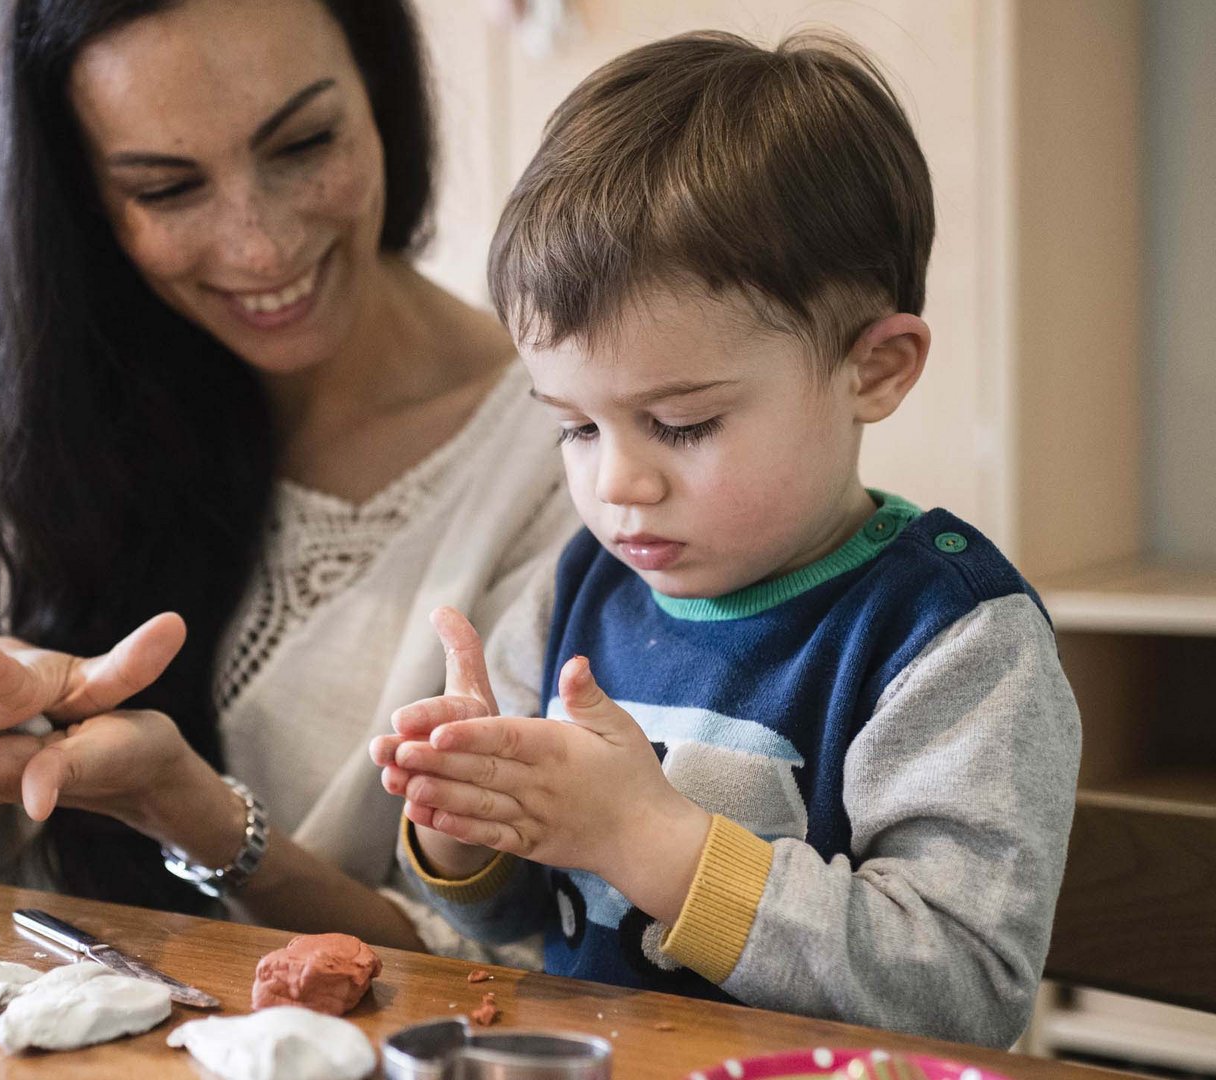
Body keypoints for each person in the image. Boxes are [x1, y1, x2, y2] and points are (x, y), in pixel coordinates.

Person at [0, 0, 573, 955]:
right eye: (167, 188)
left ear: (381, 93)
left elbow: (515, 970)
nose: (260, 246)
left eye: (304, 143)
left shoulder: (574, 452)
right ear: (86, 205)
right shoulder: (94, 418)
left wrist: (198, 818)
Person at [371, 32, 1081, 1046]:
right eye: (575, 425)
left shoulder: (952, 640)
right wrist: (464, 831)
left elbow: (963, 995)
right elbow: (517, 927)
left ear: (874, 369)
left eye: (683, 424)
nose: (617, 484)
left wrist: (648, 838)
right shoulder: (579, 592)